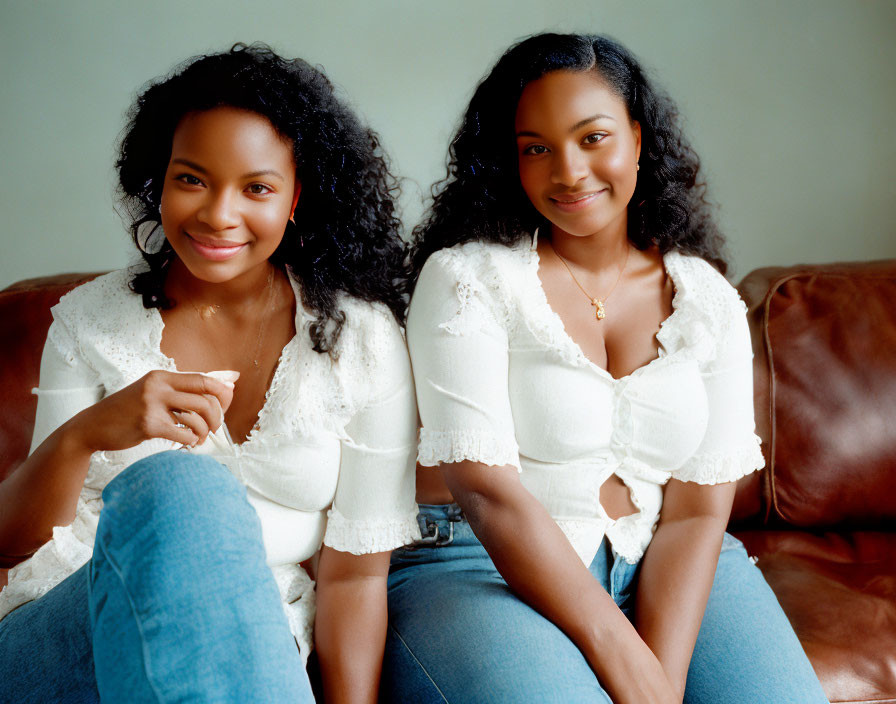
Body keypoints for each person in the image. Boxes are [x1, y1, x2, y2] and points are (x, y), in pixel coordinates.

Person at [384, 33, 828, 704]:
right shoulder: (468, 279)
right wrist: (619, 652)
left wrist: (663, 681)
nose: (567, 172)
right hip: (478, 560)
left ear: (639, 138)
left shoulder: (706, 299)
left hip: (663, 556)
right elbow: (489, 493)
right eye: (536, 148)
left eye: (593, 138)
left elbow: (697, 514)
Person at [0, 44, 419, 704]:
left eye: (256, 188)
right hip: (65, 637)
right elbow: (12, 543)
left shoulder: (360, 340)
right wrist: (86, 434)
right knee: (180, 486)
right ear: (158, 181)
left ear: (295, 197)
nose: (219, 215)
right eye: (192, 179)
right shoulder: (87, 323)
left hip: (257, 652)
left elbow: (353, 580)